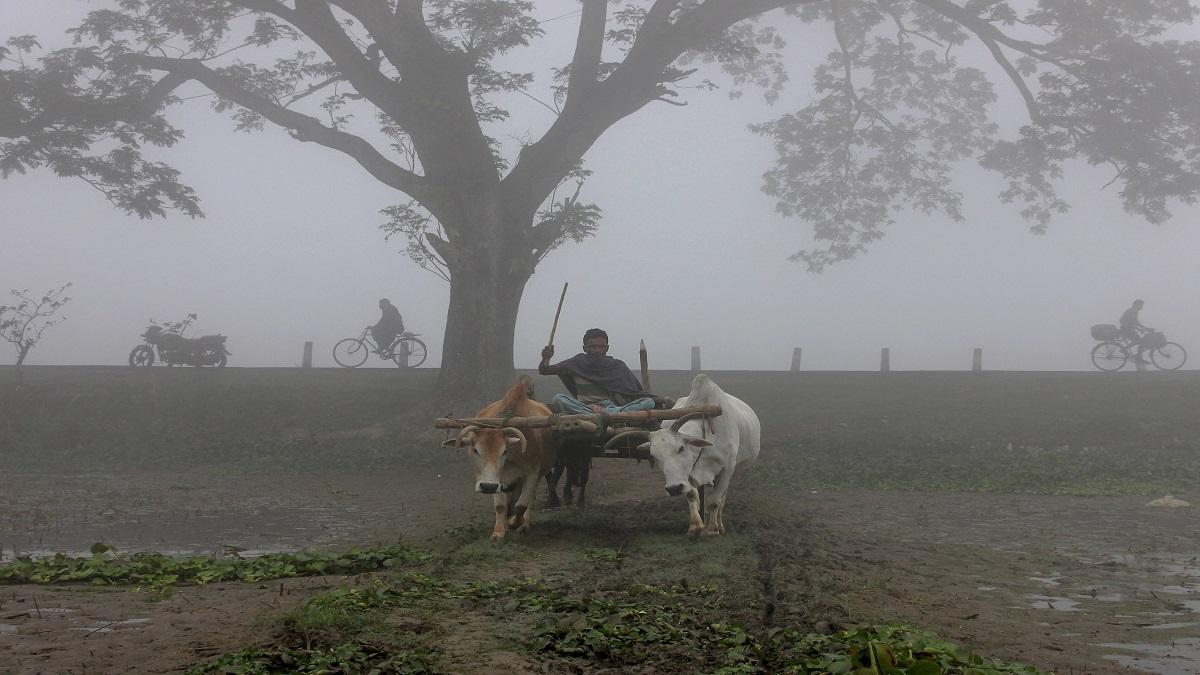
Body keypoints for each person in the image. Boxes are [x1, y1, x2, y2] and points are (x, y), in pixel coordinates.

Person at [539, 328, 656, 414]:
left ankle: (607, 413)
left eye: (601, 347)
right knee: (558, 399)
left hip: (610, 407)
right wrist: (546, 358)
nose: (597, 350)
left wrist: (606, 410)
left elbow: (634, 393)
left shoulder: (617, 366)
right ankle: (598, 414)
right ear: (585, 348)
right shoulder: (575, 363)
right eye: (592, 347)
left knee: (648, 402)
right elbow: (544, 371)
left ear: (607, 348)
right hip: (583, 407)